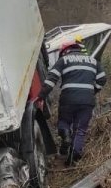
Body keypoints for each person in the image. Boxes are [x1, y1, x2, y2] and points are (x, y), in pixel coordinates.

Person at [41, 36, 106, 166]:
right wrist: (93, 91)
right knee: (80, 130)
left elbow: (50, 80)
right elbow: (102, 79)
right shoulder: (93, 61)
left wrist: (41, 96)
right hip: (87, 101)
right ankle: (73, 159)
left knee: (64, 122)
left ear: (65, 51)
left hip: (68, 99)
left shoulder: (63, 60)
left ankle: (66, 136)